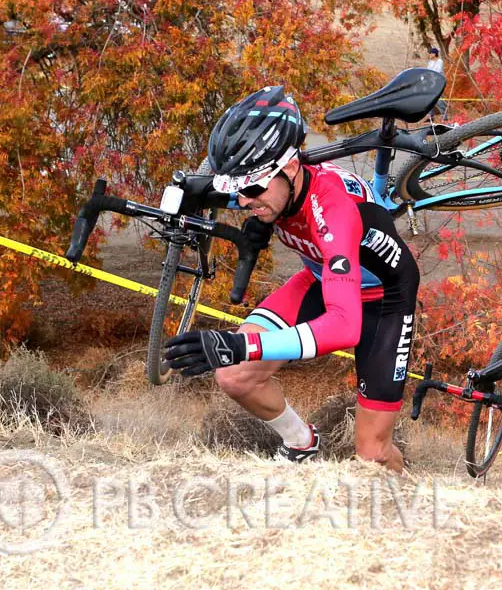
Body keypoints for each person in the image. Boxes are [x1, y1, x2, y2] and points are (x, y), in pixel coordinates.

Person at [164, 87, 420, 471]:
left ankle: (403, 506)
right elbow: (215, 191)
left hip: (384, 300)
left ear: (291, 168)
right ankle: (301, 442)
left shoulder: (331, 209)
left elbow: (344, 327)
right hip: (325, 278)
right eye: (237, 190)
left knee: (373, 454)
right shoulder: (268, 185)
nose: (243, 201)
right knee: (235, 378)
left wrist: (242, 346)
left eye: (251, 190)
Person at [425, 47, 448, 120]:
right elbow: (428, 71)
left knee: (439, 99)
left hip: (438, 82)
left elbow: (437, 71)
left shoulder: (440, 61)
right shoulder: (430, 62)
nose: (430, 55)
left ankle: (444, 115)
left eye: (431, 53)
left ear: (435, 54)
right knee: (429, 98)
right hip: (430, 82)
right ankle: (430, 116)